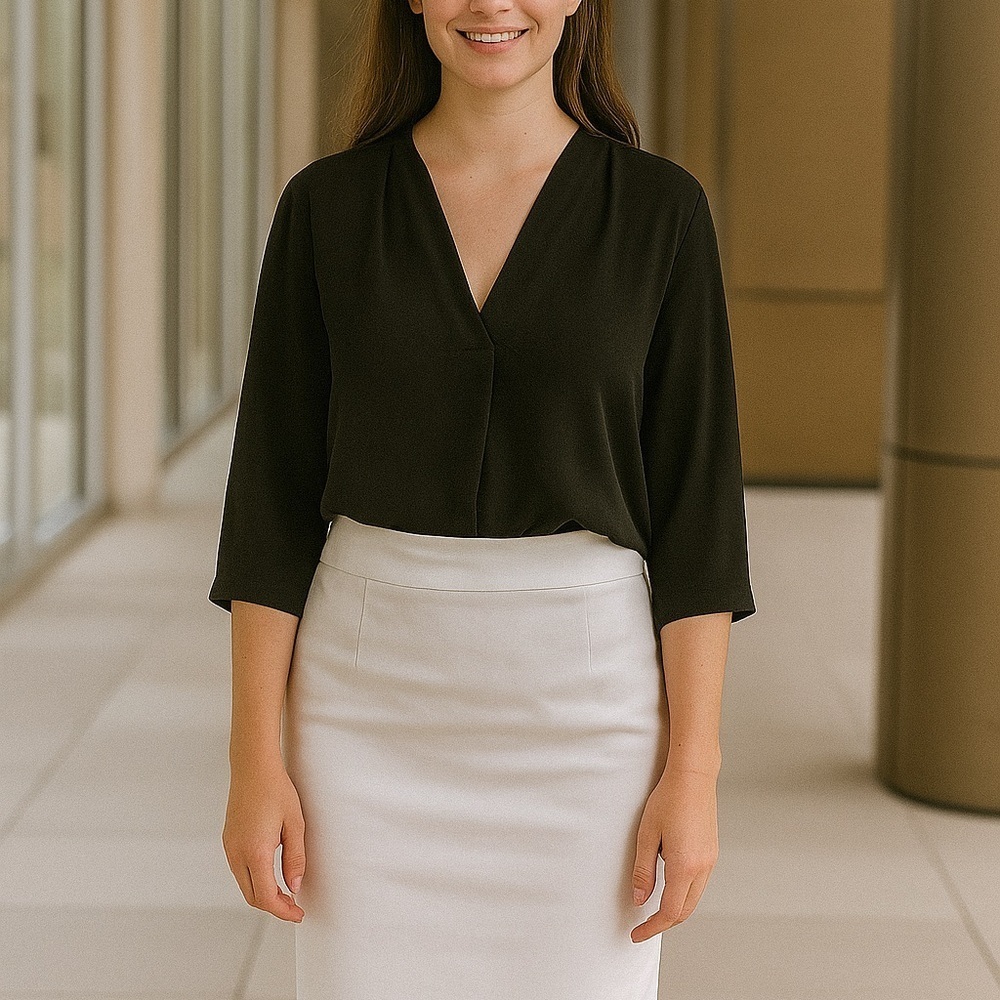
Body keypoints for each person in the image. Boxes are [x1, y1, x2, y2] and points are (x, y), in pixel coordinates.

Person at [211, 0, 756, 997]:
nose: (491, 4)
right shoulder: (326, 210)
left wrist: (693, 772)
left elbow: (699, 519)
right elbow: (269, 507)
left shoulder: (657, 212)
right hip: (363, 717)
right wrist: (256, 760)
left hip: (587, 722)